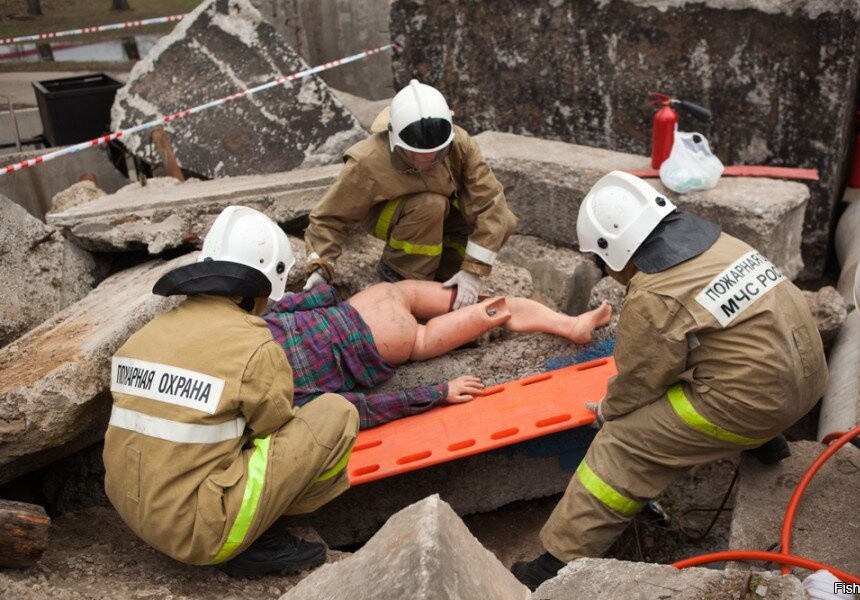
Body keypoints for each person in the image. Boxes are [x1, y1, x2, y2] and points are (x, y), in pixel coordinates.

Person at [512, 171, 829, 589]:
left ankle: (556, 561)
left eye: (602, 261)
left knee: (623, 442)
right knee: (715, 356)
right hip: (809, 379)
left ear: (614, 251)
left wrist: (609, 410)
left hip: (759, 404)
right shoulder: (721, 243)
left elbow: (641, 380)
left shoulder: (654, 293)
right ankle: (764, 440)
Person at [102, 206, 359, 578]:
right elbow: (275, 431)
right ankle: (256, 536)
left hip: (132, 508)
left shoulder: (144, 336)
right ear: (260, 289)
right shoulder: (253, 346)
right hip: (198, 535)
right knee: (336, 414)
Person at [263, 280, 613, 429]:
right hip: (374, 299)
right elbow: (311, 298)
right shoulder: (255, 327)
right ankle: (568, 323)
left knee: (486, 314)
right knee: (490, 304)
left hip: (383, 340)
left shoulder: (281, 394)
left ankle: (562, 324)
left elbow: (362, 408)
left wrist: (440, 392)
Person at [302, 78, 518, 310]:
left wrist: (472, 271)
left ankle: (447, 274)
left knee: (496, 218)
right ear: (395, 140)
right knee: (430, 205)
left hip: (441, 212)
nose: (428, 162)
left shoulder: (460, 145)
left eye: (437, 155)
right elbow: (330, 217)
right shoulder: (369, 161)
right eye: (416, 156)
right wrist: (320, 267)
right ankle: (401, 274)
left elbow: (491, 204)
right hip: (393, 215)